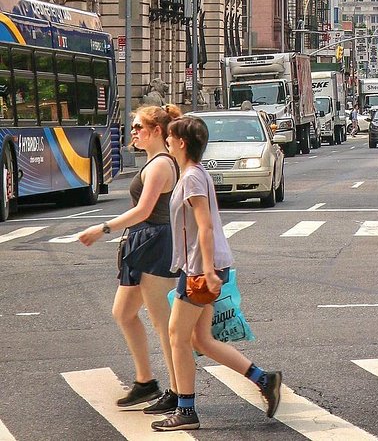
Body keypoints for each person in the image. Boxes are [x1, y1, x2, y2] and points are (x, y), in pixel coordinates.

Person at [152, 115, 281, 431]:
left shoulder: (193, 178)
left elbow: (206, 226)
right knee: (202, 339)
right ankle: (264, 379)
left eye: (170, 137)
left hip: (200, 268)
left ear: (182, 143)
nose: (167, 142)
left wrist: (207, 271)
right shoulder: (195, 174)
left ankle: (186, 411)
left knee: (177, 337)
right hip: (200, 266)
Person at [79, 104, 181, 413]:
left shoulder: (162, 164)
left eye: (138, 127)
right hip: (142, 242)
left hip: (155, 243)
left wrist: (103, 228)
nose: (133, 131)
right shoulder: (153, 161)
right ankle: (145, 382)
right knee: (123, 312)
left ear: (157, 131)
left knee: (164, 324)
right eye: (133, 127)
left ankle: (177, 391)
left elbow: (144, 210)